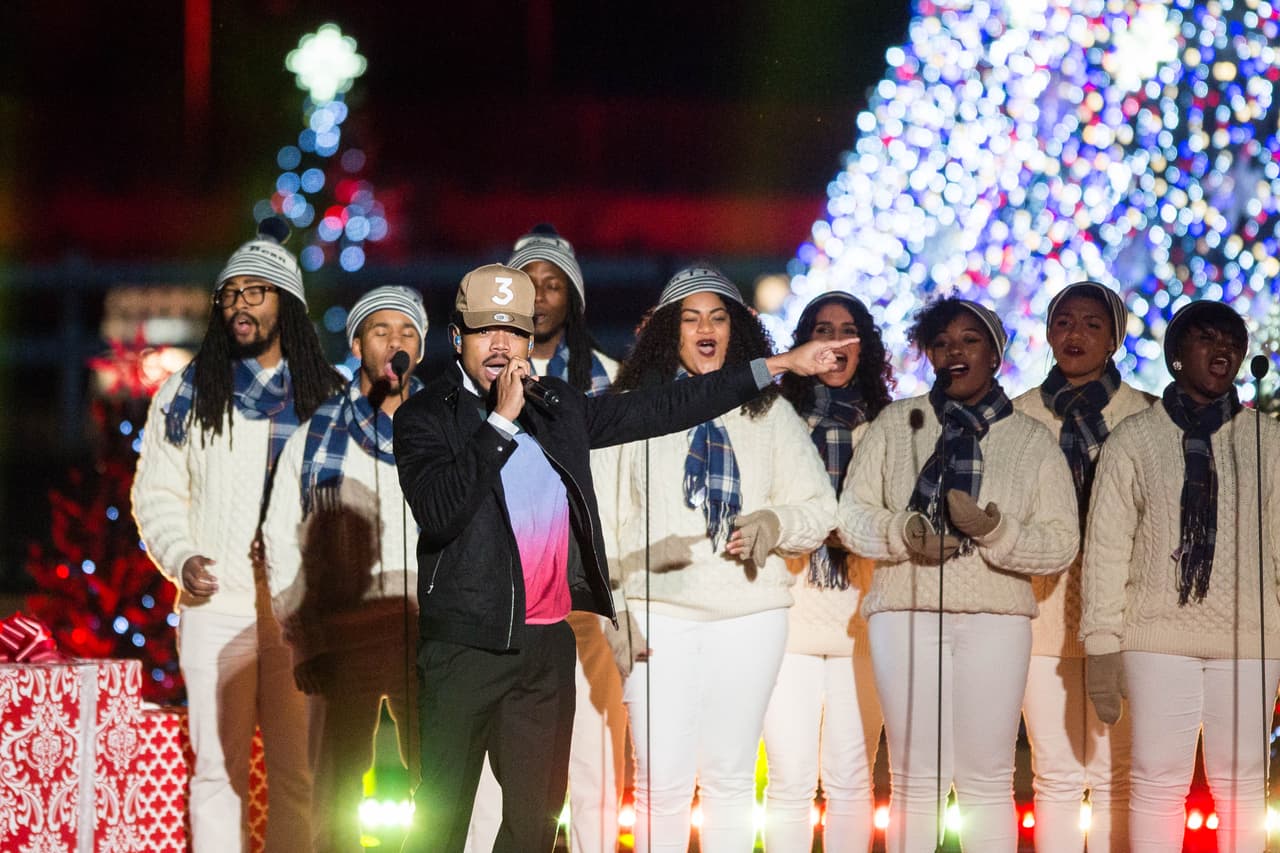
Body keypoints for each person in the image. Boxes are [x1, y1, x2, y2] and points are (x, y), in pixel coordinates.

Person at [393, 263, 848, 853]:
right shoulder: (424, 417)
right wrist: (500, 424)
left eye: (513, 332)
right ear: (457, 339)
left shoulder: (557, 406)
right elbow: (441, 511)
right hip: (464, 648)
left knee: (533, 828)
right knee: (440, 825)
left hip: (542, 648)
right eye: (485, 331)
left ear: (531, 342)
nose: (501, 345)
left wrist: (779, 366)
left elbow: (669, 405)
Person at [600, 266, 839, 853]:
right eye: (690, 318)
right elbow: (597, 519)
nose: (705, 328)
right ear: (667, 333)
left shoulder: (770, 413)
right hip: (657, 616)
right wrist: (612, 610)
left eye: (718, 316)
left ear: (737, 332)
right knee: (662, 783)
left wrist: (775, 521)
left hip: (750, 616)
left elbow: (820, 508)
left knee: (731, 778)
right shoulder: (632, 409)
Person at [132, 218, 345, 851]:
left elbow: (353, 501)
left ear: (289, 304)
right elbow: (157, 493)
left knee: (298, 774)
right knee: (216, 773)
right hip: (214, 605)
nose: (239, 306)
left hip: (299, 613)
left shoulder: (328, 396)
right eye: (230, 294)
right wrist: (182, 554)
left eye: (256, 292)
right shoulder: (186, 393)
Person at [837, 296, 1078, 853]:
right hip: (905, 613)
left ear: (994, 354)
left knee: (987, 778)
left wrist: (995, 530)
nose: (955, 352)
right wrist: (904, 532)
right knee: (914, 778)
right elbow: (851, 515)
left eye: (969, 340)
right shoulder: (899, 422)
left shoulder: (1030, 438)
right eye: (942, 342)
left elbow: (1061, 540)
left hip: (995, 619)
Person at [1082, 300, 1280, 852]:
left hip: (1249, 637)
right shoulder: (1134, 439)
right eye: (1207, 338)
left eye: (1232, 342)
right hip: (1157, 634)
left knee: (1242, 785)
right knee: (1155, 779)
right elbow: (1106, 547)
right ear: (1175, 357)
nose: (1223, 350)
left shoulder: (1267, 440)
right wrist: (1101, 642)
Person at [467, 224, 625, 853]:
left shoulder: (605, 379)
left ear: (574, 300)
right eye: (527, 282)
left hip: (581, 599)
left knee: (591, 763)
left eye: (553, 283)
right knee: (491, 771)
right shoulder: (477, 377)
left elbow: (619, 486)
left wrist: (618, 590)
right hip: (500, 599)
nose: (538, 294)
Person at [263, 285, 428, 852]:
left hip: (425, 626)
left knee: (438, 782)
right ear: (358, 344)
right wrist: (303, 632)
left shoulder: (445, 427)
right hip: (342, 631)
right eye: (381, 331)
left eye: (407, 333)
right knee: (333, 787)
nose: (395, 343)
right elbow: (280, 537)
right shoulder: (316, 434)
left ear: (421, 351)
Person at [1012, 281, 1152, 853]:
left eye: (1093, 324)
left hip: (1121, 615)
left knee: (1120, 777)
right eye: (1065, 322)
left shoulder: (1145, 415)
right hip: (1041, 617)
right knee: (1056, 776)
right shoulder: (1017, 414)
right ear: (1048, 333)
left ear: (1115, 338)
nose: (1077, 334)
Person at [762, 291, 893, 853]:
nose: (836, 342)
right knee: (788, 780)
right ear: (804, 342)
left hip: (861, 619)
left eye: (848, 330)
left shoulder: (893, 423)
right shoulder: (773, 417)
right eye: (823, 329)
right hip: (787, 615)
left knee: (851, 780)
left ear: (865, 344)